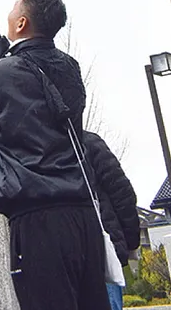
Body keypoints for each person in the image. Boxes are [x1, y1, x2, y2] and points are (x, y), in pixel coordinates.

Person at [0, 0, 110, 310]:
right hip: (82, 215)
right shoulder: (69, 68)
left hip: (37, 220)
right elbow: (28, 79)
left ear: (21, 23)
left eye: (13, 8)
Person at [84, 131, 139, 310]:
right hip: (104, 252)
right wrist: (131, 244)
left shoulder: (34, 150)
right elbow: (123, 196)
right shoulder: (89, 143)